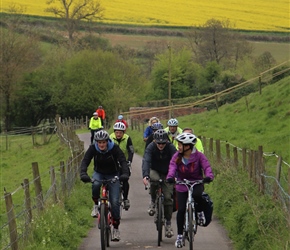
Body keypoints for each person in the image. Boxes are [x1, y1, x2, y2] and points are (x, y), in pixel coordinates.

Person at [80, 130, 130, 241]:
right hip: (99, 173)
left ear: (107, 141)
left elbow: (122, 161)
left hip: (113, 175)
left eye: (103, 142)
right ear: (96, 142)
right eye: (99, 142)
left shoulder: (114, 148)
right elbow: (85, 161)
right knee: (96, 184)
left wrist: (125, 174)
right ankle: (95, 205)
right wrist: (83, 173)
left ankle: (116, 228)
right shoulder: (93, 148)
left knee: (115, 202)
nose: (101, 144)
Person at [166, 132, 214, 248]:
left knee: (198, 196)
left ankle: (200, 212)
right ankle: (179, 236)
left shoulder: (199, 156)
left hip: (196, 182)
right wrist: (170, 177)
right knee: (181, 209)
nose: (178, 146)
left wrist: (208, 176)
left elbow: (206, 167)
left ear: (188, 146)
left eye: (181, 144)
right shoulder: (177, 156)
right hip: (181, 183)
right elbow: (172, 167)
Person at [142, 129, 177, 238]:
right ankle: (153, 201)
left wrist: (176, 175)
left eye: (163, 143)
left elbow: (177, 161)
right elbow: (146, 161)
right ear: (155, 141)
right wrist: (145, 176)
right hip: (155, 170)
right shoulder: (151, 147)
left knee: (168, 198)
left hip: (168, 172)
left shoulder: (171, 147)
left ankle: (168, 223)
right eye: (158, 143)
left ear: (167, 141)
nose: (161, 145)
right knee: (154, 180)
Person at [110, 122, 134, 210]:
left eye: (120, 132)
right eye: (117, 132)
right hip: (113, 162)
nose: (118, 134)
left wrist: (129, 161)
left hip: (124, 162)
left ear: (123, 133)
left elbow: (131, 150)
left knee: (125, 179)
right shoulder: (110, 138)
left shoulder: (127, 138)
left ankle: (125, 198)